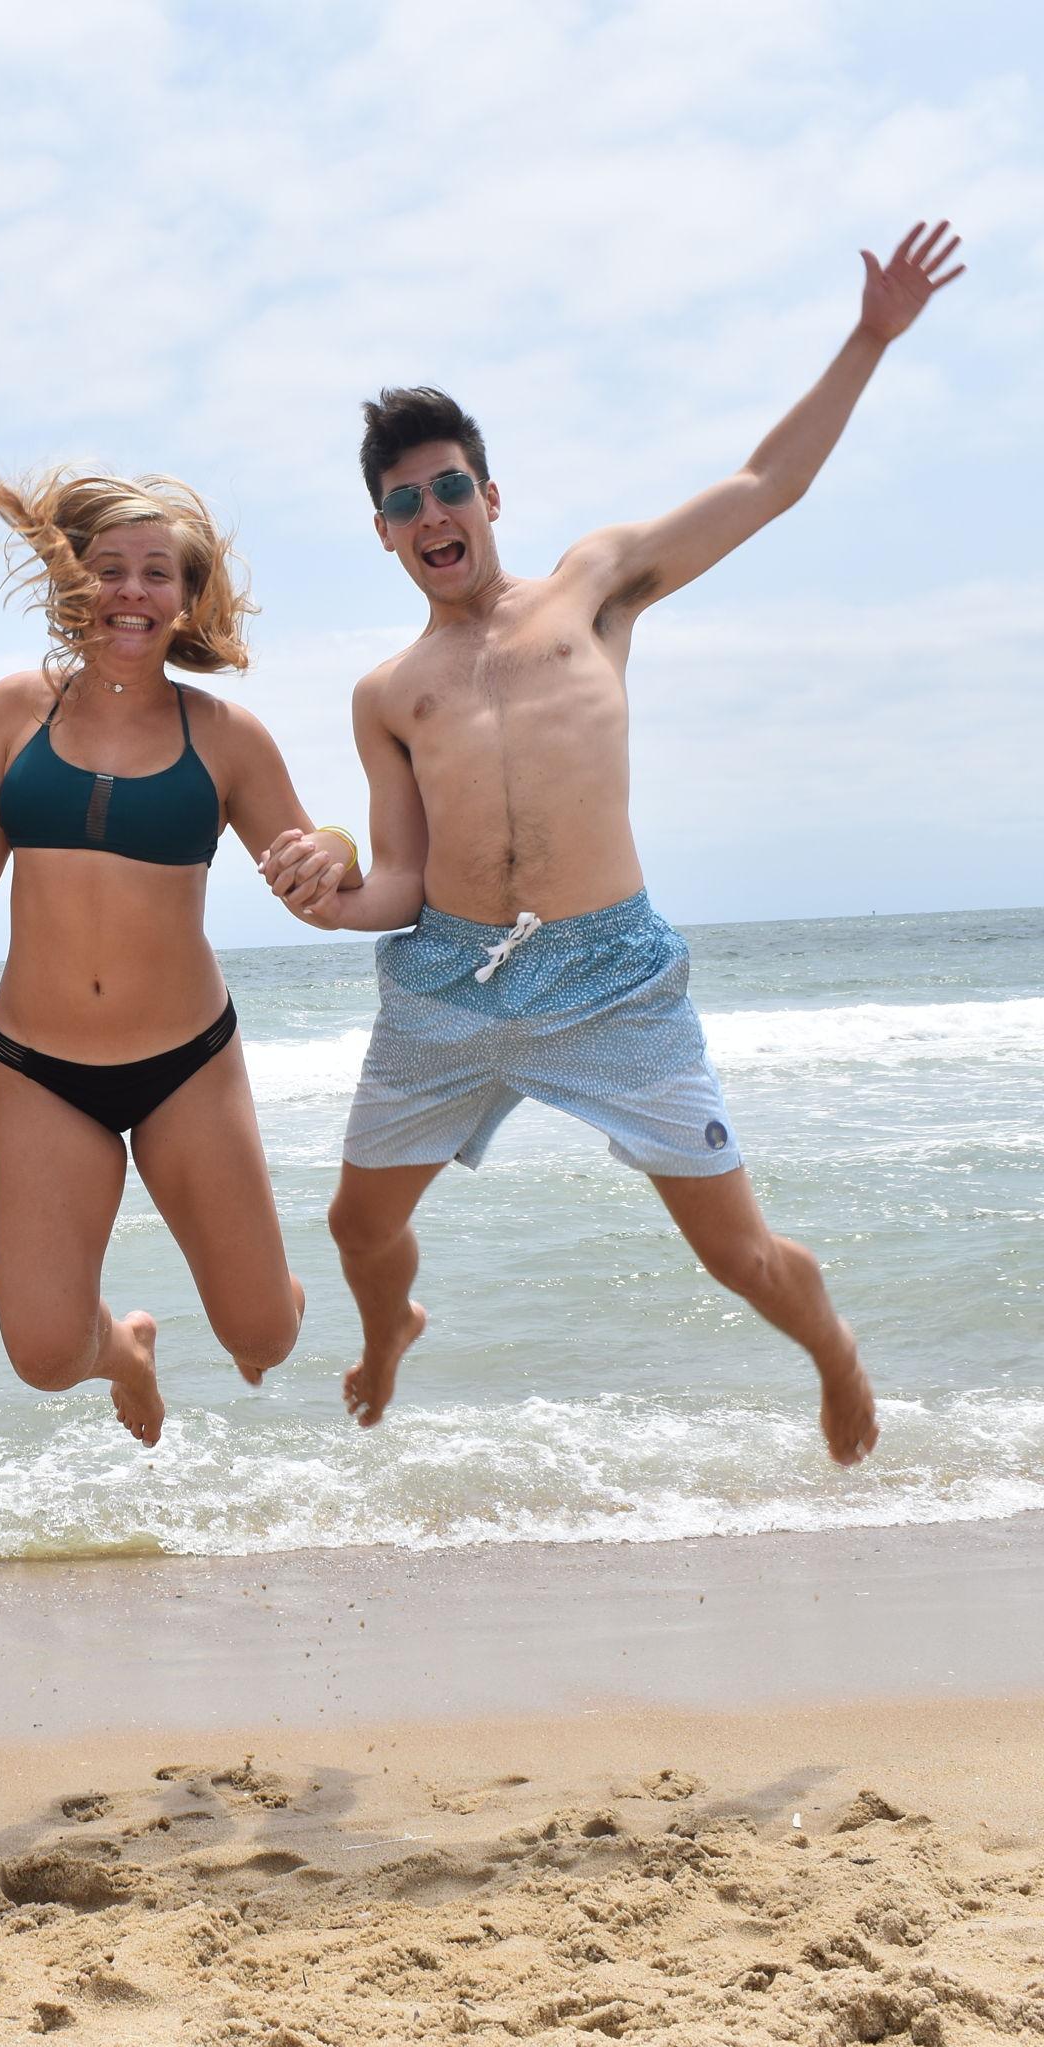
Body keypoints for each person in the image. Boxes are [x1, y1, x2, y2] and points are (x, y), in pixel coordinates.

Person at [261, 220, 966, 1466]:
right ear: (381, 532)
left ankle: (833, 1352)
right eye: (401, 501)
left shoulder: (590, 586)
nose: (431, 513)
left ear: (489, 497)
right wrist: (329, 898)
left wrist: (865, 340)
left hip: (610, 976)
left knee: (736, 1256)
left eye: (448, 487)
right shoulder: (386, 692)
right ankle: (387, 1334)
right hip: (448, 980)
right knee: (355, 1228)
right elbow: (399, 886)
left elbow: (764, 486)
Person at [0, 466, 361, 1446]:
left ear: (185, 596)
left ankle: (264, 1283)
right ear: (71, 585)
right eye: (110, 569)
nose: (132, 590)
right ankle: (125, 1350)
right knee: (43, 1356)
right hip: (41, 1070)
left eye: (156, 573)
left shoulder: (225, 735)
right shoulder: (14, 708)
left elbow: (321, 860)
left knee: (264, 1335)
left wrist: (337, 847)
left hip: (187, 1066)